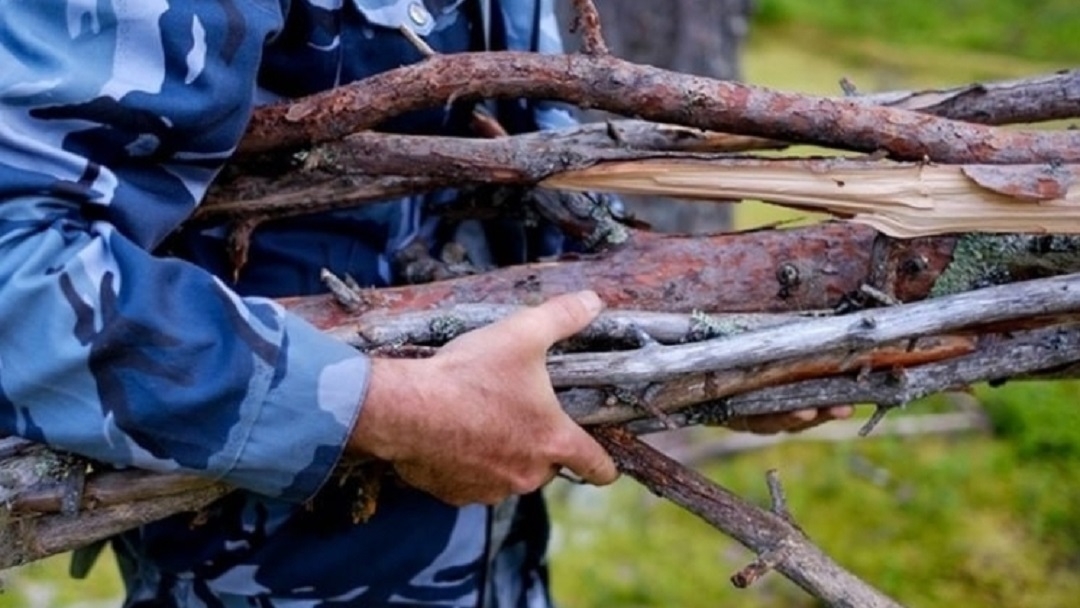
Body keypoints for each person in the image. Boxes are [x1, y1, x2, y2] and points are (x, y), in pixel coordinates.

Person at [0, 1, 852, 606]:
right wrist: (391, 410)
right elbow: (19, 265)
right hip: (259, 572)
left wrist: (698, 359)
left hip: (492, 562)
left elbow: (520, 208)